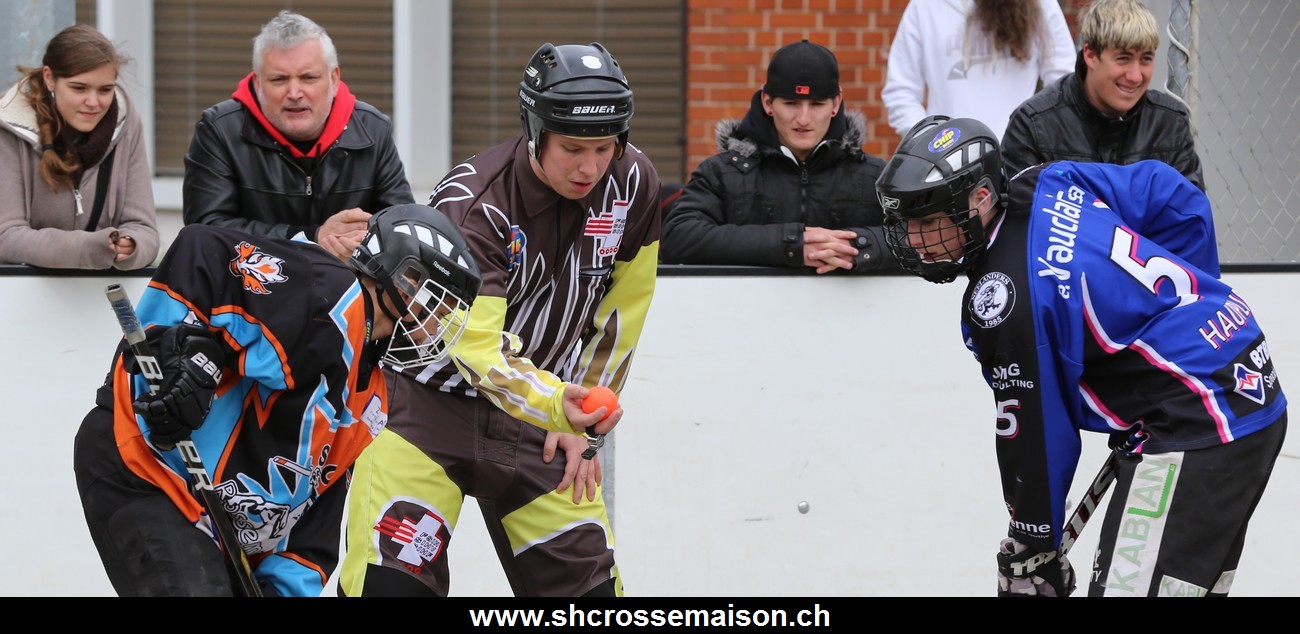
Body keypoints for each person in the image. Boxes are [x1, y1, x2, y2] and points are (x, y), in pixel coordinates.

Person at [875, 115, 1287, 597]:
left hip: (1199, 420)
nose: (915, 238)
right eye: (907, 223)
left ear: (981, 199)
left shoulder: (1004, 300)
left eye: (928, 221)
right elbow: (1172, 195)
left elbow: (1034, 431)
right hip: (1244, 372)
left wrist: (1032, 544)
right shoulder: (1047, 179)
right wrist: (1194, 307)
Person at [335, 41, 661, 598]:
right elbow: (478, 350)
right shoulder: (472, 203)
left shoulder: (633, 182)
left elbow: (622, 314)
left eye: (605, 147)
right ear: (535, 131)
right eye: (572, 148)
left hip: (540, 423)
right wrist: (559, 404)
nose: (590, 167)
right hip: (424, 412)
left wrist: (583, 426)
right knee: (390, 591)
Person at [73, 203, 482, 597]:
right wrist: (182, 357)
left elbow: (315, 514)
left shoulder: (372, 401)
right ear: (404, 279)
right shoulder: (327, 293)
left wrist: (285, 587)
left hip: (216, 527)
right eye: (438, 303)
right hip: (143, 465)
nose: (438, 326)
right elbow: (200, 247)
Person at [182, 10, 414, 262]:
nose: (294, 93)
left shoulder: (374, 130)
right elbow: (206, 231)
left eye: (308, 78)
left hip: (348, 280)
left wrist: (357, 246)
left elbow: (403, 228)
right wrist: (311, 238)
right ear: (257, 83)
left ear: (334, 79)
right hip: (248, 283)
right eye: (279, 79)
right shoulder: (219, 130)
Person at [660, 39, 895, 274]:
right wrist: (792, 244)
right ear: (768, 103)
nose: (803, 119)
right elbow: (678, 237)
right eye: (791, 103)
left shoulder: (874, 176)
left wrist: (857, 247)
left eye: (817, 104)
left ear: (836, 104)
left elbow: (914, 238)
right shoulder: (721, 172)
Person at [1001, 0, 1205, 191]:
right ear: (1090, 55)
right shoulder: (1034, 125)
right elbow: (1020, 213)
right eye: (1123, 58)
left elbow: (1190, 212)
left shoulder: (1170, 123)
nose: (1135, 76)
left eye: (1146, 59)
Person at [0, 24, 158, 270]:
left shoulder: (128, 123)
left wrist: (131, 246)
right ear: (49, 78)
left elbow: (145, 230)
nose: (93, 102)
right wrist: (86, 248)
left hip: (97, 292)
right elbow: (6, 237)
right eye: (79, 88)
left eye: (105, 90)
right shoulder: (7, 127)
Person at [881, 0, 1075, 141]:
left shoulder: (1041, 4)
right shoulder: (924, 6)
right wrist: (931, 143)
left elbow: (1065, 82)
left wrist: (1035, 139)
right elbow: (900, 91)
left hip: (1018, 162)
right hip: (945, 166)